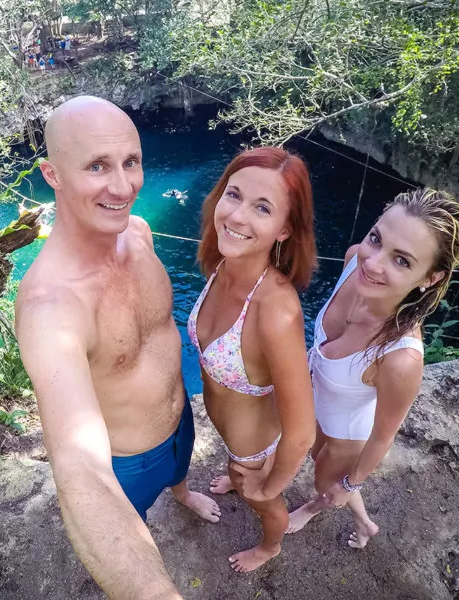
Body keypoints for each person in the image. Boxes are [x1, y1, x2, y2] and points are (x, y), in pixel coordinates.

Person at [16, 96, 219, 600]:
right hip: (126, 461)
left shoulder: (139, 232)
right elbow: (81, 469)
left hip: (180, 423)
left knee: (180, 470)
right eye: (96, 167)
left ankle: (183, 491)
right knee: (132, 524)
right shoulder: (51, 308)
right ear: (53, 174)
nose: (123, 185)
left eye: (131, 161)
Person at [285, 188, 459, 548]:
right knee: (312, 454)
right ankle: (366, 524)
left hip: (346, 432)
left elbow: (382, 436)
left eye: (402, 260)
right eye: (376, 239)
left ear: (430, 277)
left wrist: (351, 484)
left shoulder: (400, 358)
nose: (373, 263)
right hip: (318, 405)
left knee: (328, 484)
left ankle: (322, 512)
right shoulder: (354, 260)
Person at [188, 147, 318, 572]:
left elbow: (300, 431)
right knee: (239, 476)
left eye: (262, 208)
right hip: (230, 433)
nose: (237, 216)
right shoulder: (225, 263)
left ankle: (270, 547)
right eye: (234, 195)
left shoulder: (276, 311)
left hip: (253, 447)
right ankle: (238, 474)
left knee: (262, 501)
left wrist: (268, 484)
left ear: (284, 229)